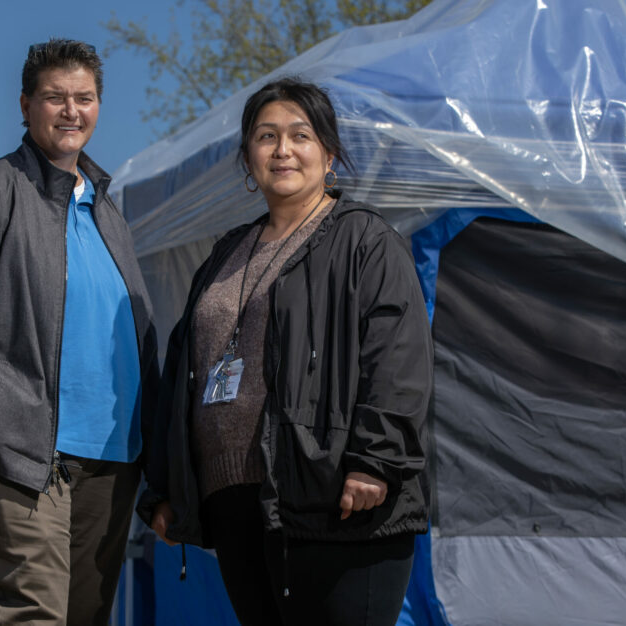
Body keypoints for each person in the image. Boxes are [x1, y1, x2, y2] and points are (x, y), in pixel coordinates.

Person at [137, 77, 433, 626]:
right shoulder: (225, 255)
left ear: (329, 152)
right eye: (266, 136)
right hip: (236, 501)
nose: (283, 150)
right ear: (248, 157)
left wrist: (375, 461)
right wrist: (165, 486)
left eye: (300, 134)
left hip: (337, 497)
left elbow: (398, 359)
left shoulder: (364, 241)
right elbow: (181, 373)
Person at [0, 39, 158, 626]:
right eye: (54, 97)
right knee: (36, 618)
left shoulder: (108, 212)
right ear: (25, 105)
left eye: (84, 98)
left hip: (112, 463)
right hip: (16, 456)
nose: (71, 110)